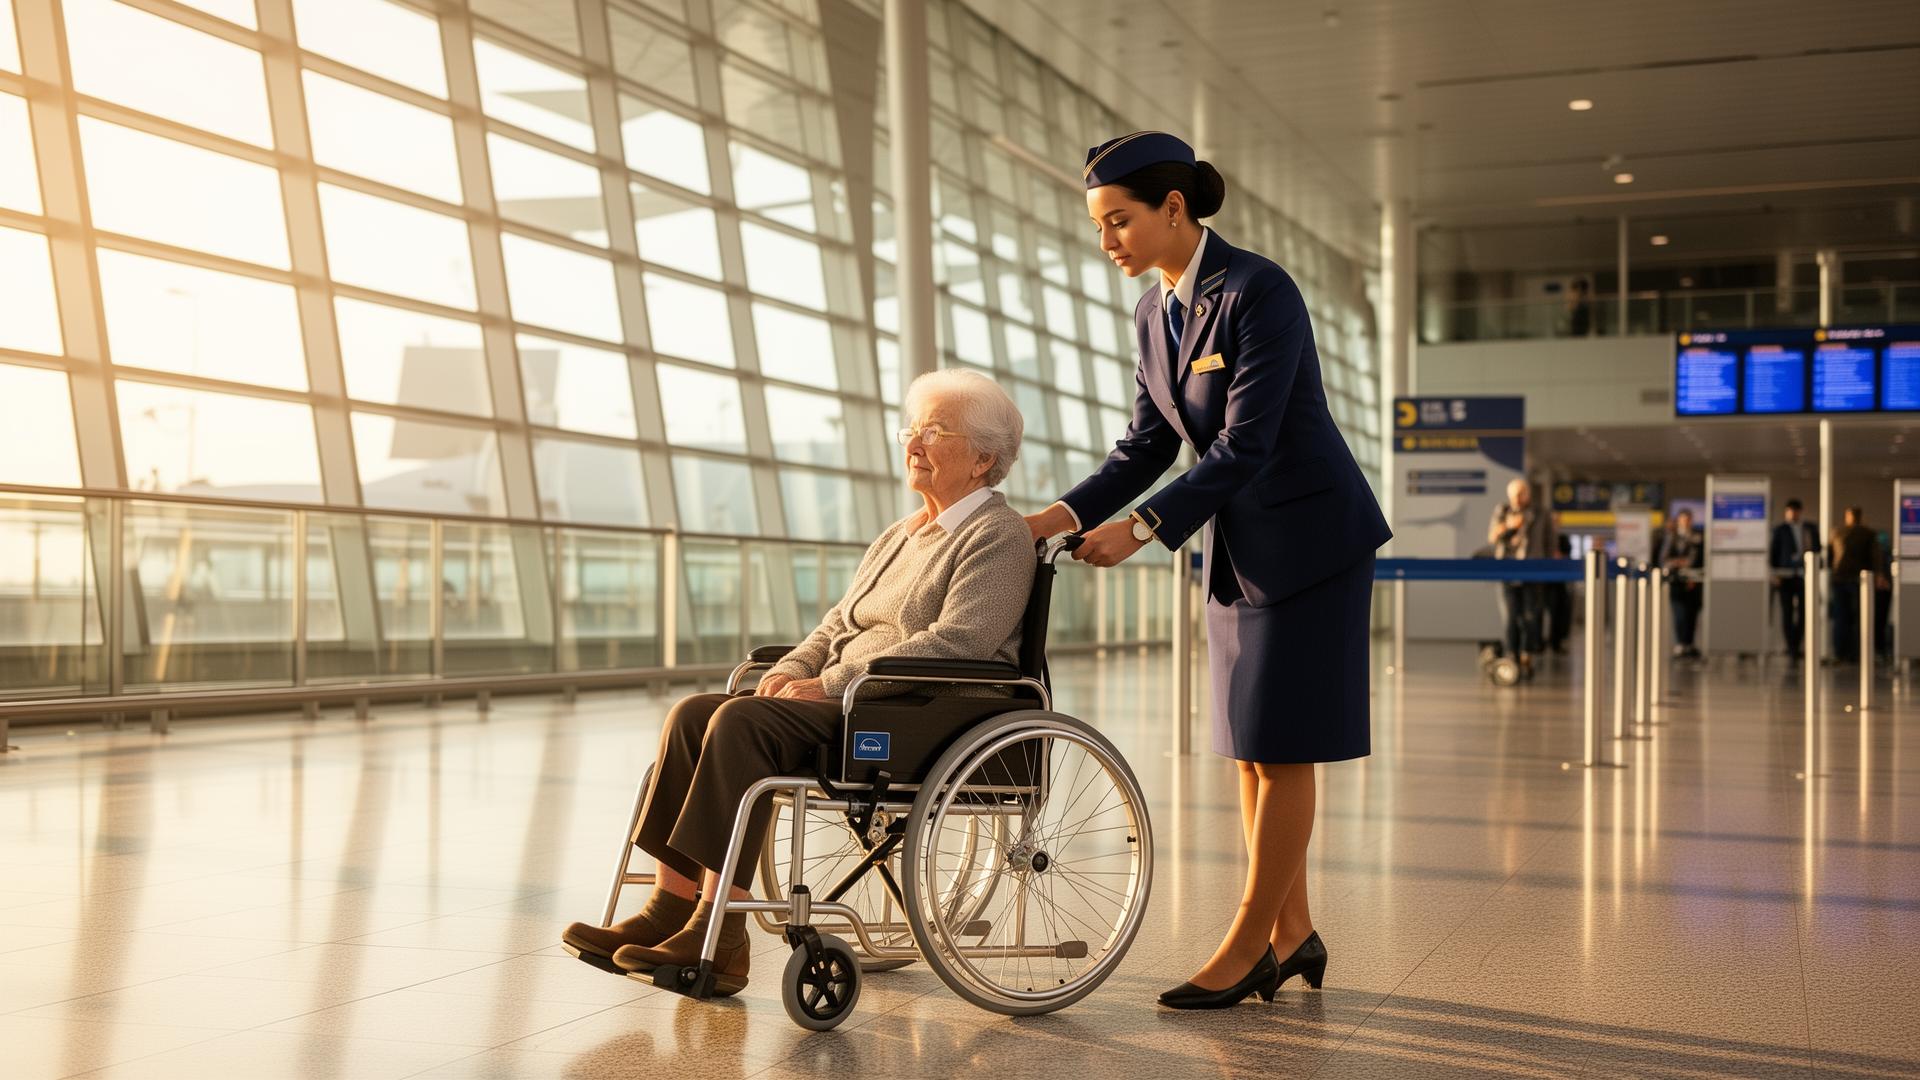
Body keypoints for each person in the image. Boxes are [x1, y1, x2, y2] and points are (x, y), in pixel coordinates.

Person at [1022, 131, 1390, 1010]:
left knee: (1283, 746)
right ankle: (1294, 933)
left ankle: (1249, 943)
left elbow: (1246, 442)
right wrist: (1058, 515)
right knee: (1249, 752)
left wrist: (1143, 528)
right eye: (1099, 225)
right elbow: (1146, 443)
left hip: (1309, 547)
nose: (1106, 239)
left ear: (1173, 208)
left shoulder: (1260, 290)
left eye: (1119, 221)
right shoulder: (1154, 313)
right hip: (1239, 554)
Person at [560, 369, 1035, 996]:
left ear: (982, 459)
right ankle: (671, 906)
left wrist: (833, 683)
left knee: (739, 723)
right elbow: (838, 621)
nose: (913, 445)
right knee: (694, 714)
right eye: (911, 431)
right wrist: (793, 668)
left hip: (920, 707)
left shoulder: (997, 536)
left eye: (934, 432)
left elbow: (959, 643)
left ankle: (721, 932)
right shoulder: (902, 534)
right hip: (860, 698)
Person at [1487, 477, 1556, 679]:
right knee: (1510, 616)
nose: (1517, 498)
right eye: (1514, 494)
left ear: (1528, 494)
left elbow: (1549, 543)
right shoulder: (1503, 511)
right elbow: (1492, 537)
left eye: (1521, 494)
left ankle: (1528, 655)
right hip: (1507, 572)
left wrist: (1547, 567)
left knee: (1531, 616)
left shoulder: (1541, 514)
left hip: (1533, 572)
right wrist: (1509, 527)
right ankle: (1511, 655)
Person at [1769, 498, 1819, 661]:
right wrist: (1776, 574)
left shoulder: (1809, 528)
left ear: (1800, 512)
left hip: (1805, 576)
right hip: (1785, 577)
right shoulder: (1780, 530)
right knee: (1787, 612)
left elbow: (1817, 550)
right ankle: (1791, 647)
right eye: (1790, 511)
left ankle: (1796, 645)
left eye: (1795, 511)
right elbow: (1773, 554)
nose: (1793, 514)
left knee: (1804, 612)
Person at [1830, 507, 1879, 664]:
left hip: (1848, 579)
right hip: (1853, 579)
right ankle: (1854, 652)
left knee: (1844, 617)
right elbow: (1875, 557)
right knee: (1855, 617)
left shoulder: (1838, 532)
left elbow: (1831, 556)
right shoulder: (1867, 533)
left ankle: (1843, 652)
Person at [1664, 509, 1705, 659]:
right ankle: (1680, 643)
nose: (1685, 522)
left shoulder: (1698, 537)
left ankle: (1689, 644)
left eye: (1688, 519)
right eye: (1682, 519)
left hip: (1694, 583)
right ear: (1678, 521)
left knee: (1692, 614)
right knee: (1679, 614)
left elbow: (1700, 558)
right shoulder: (1672, 537)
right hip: (1677, 583)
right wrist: (1678, 562)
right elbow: (1664, 558)